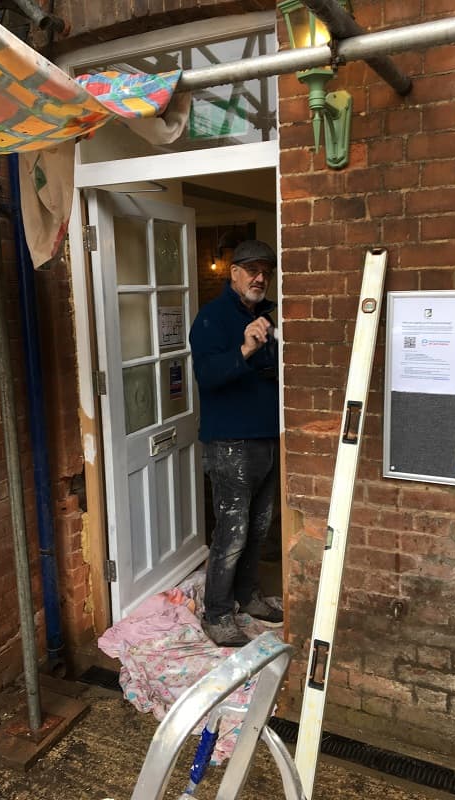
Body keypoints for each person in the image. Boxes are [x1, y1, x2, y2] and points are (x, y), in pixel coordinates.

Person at [189, 240, 283, 647]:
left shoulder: (265, 315)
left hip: (266, 438)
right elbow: (207, 377)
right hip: (230, 442)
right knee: (233, 530)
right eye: (251, 270)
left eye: (266, 271)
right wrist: (245, 347)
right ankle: (217, 612)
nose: (260, 277)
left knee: (259, 527)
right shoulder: (212, 318)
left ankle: (248, 596)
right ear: (234, 274)